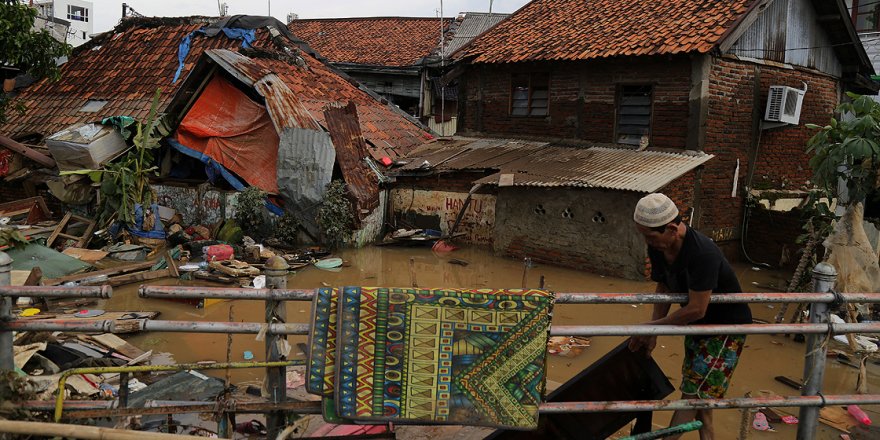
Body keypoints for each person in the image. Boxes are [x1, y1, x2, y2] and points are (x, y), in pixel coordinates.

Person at [628, 193, 751, 440]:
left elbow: (697, 308)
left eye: (650, 237)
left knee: (693, 395)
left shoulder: (703, 253)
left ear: (672, 229)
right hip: (697, 327)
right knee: (702, 400)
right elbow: (664, 286)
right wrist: (653, 332)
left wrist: (651, 327)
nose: (648, 242)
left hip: (723, 330)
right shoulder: (659, 246)